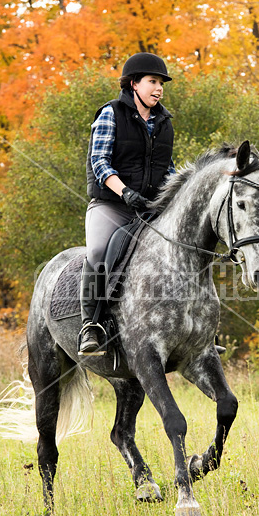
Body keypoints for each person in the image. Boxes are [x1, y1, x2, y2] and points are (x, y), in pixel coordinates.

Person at [78, 52, 175, 356]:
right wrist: (125, 192)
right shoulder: (110, 113)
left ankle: (193, 329)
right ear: (134, 84)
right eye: (152, 81)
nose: (158, 88)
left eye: (161, 83)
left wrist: (175, 196)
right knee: (96, 253)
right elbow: (99, 161)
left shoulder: (163, 122)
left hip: (148, 206)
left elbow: (167, 168)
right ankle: (90, 325)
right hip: (111, 204)